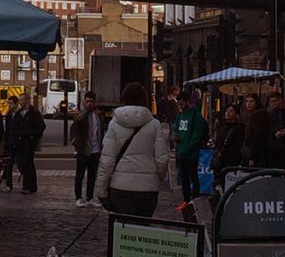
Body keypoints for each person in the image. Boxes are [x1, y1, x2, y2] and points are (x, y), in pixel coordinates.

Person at [94, 83, 169, 217]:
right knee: (142, 230)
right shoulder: (155, 125)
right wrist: (159, 177)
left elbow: (107, 161)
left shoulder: (114, 124)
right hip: (148, 190)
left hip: (121, 187)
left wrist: (101, 191)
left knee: (122, 232)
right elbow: (162, 159)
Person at [70, 91, 106, 208]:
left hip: (95, 150)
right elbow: (74, 130)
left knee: (92, 175)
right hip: (83, 149)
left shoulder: (98, 114)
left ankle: (90, 198)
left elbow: (99, 131)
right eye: (87, 101)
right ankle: (79, 197)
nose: (89, 104)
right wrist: (76, 144)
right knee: (80, 175)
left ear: (95, 102)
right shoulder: (81, 114)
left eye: (91, 101)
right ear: (84, 102)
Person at [174, 90, 206, 208]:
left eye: (182, 104)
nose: (180, 106)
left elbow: (197, 135)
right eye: (179, 104)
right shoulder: (180, 115)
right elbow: (176, 128)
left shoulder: (196, 116)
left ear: (188, 102)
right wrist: (175, 137)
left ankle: (195, 197)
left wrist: (188, 147)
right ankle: (186, 198)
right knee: (184, 177)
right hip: (181, 152)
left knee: (193, 175)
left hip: (191, 153)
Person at [14, 93, 45, 194]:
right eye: (19, 100)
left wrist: (34, 136)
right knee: (21, 162)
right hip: (20, 142)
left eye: (22, 100)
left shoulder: (34, 112)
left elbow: (41, 126)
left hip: (29, 141)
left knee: (28, 163)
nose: (20, 102)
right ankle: (29, 185)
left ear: (27, 100)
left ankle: (28, 186)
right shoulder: (19, 113)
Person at [211, 104, 245, 189]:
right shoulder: (222, 127)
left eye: (231, 111)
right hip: (220, 161)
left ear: (237, 114)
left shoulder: (240, 128)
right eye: (226, 111)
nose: (228, 113)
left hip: (232, 161)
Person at [267, 90, 285, 170]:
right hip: (274, 144)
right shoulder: (270, 113)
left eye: (275, 101)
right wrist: (275, 132)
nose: (273, 103)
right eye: (271, 102)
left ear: (280, 100)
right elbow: (269, 127)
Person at [240, 94, 270, 166]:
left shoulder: (258, 115)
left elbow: (257, 136)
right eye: (247, 101)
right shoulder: (250, 115)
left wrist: (253, 157)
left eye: (251, 101)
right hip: (254, 151)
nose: (248, 104)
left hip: (257, 152)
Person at [2, 95, 21, 192]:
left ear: (16, 103)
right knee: (8, 165)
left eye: (11, 103)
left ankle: (27, 184)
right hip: (10, 143)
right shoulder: (9, 114)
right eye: (8, 103)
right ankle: (9, 185)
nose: (9, 105)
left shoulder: (20, 114)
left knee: (21, 164)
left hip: (19, 143)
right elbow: (8, 129)